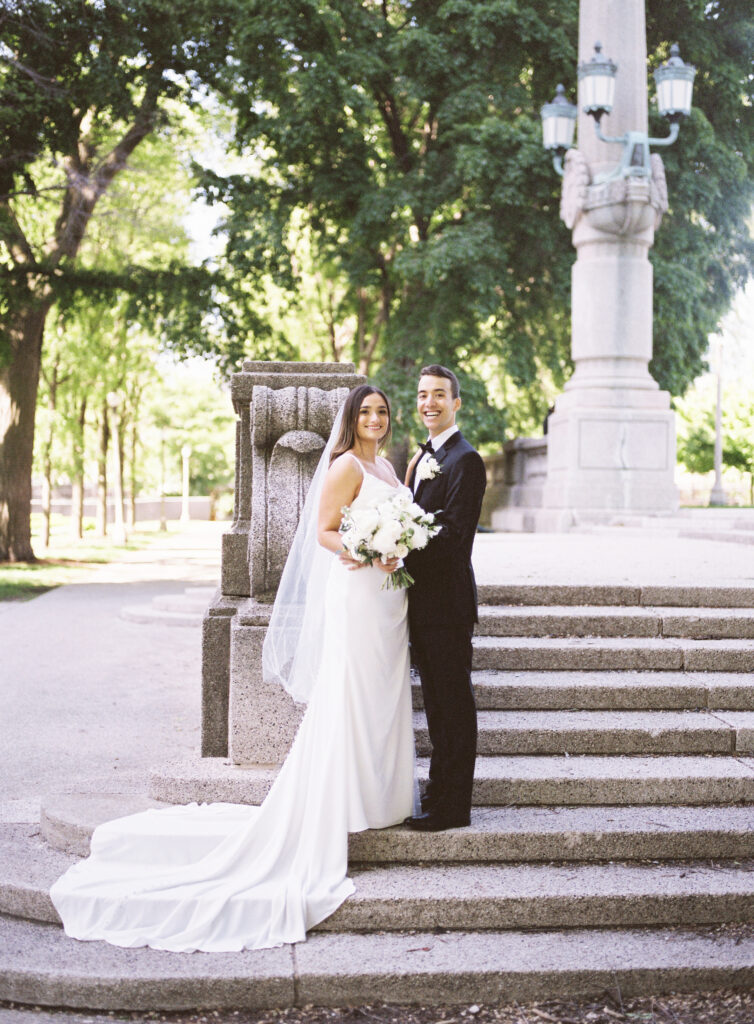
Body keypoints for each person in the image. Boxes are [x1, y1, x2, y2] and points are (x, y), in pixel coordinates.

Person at [50, 384, 417, 953]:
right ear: (352, 418)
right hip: (357, 593)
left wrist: (396, 550)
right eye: (365, 411)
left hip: (388, 599)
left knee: (381, 695)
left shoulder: (389, 468)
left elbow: (397, 526)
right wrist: (367, 551)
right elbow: (320, 531)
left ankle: (380, 797)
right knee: (351, 694)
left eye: (381, 411)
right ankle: (341, 801)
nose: (375, 418)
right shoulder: (345, 465)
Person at [403, 365, 487, 832]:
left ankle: (454, 806)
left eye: (439, 394)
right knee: (436, 705)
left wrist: (399, 552)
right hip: (422, 605)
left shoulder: (465, 460)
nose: (428, 402)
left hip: (447, 605)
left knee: (453, 705)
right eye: (422, 395)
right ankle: (439, 792)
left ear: (456, 403)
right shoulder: (422, 459)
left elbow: (454, 537)